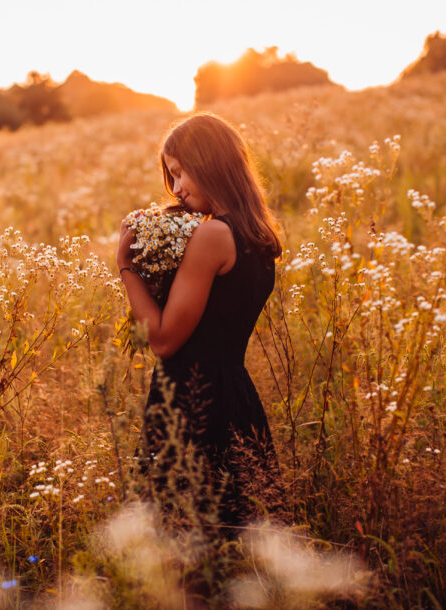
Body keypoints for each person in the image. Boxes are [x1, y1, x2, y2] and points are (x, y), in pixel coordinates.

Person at [116, 112, 286, 529]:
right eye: (170, 178)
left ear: (208, 161)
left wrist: (127, 267)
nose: (176, 189)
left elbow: (162, 339)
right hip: (236, 397)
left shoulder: (211, 238)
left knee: (182, 541)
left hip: (193, 405)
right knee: (236, 538)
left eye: (179, 173)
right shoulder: (255, 236)